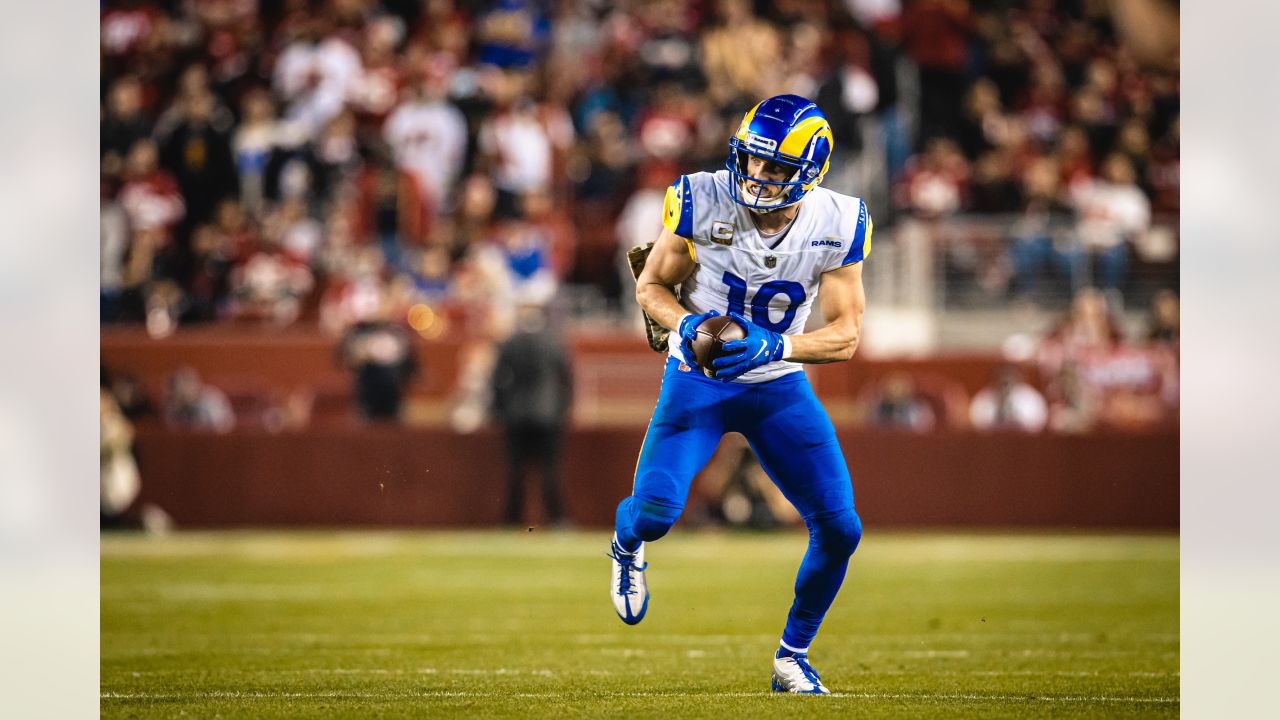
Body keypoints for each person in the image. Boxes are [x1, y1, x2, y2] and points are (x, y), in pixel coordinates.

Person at [610, 95, 870, 694]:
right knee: (653, 515)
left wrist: (776, 349)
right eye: (751, 161)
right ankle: (626, 544)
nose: (756, 176)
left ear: (810, 170)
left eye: (775, 167)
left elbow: (846, 336)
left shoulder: (839, 221)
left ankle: (792, 658)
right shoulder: (701, 197)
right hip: (696, 381)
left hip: (777, 386)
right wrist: (686, 327)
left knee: (840, 529)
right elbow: (651, 286)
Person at [490, 305, 574, 526]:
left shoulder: (510, 342)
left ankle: (511, 520)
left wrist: (500, 410)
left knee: (515, 471)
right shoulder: (553, 342)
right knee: (550, 470)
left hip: (516, 415)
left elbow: (497, 380)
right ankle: (557, 519)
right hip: (548, 416)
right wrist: (562, 410)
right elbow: (566, 380)